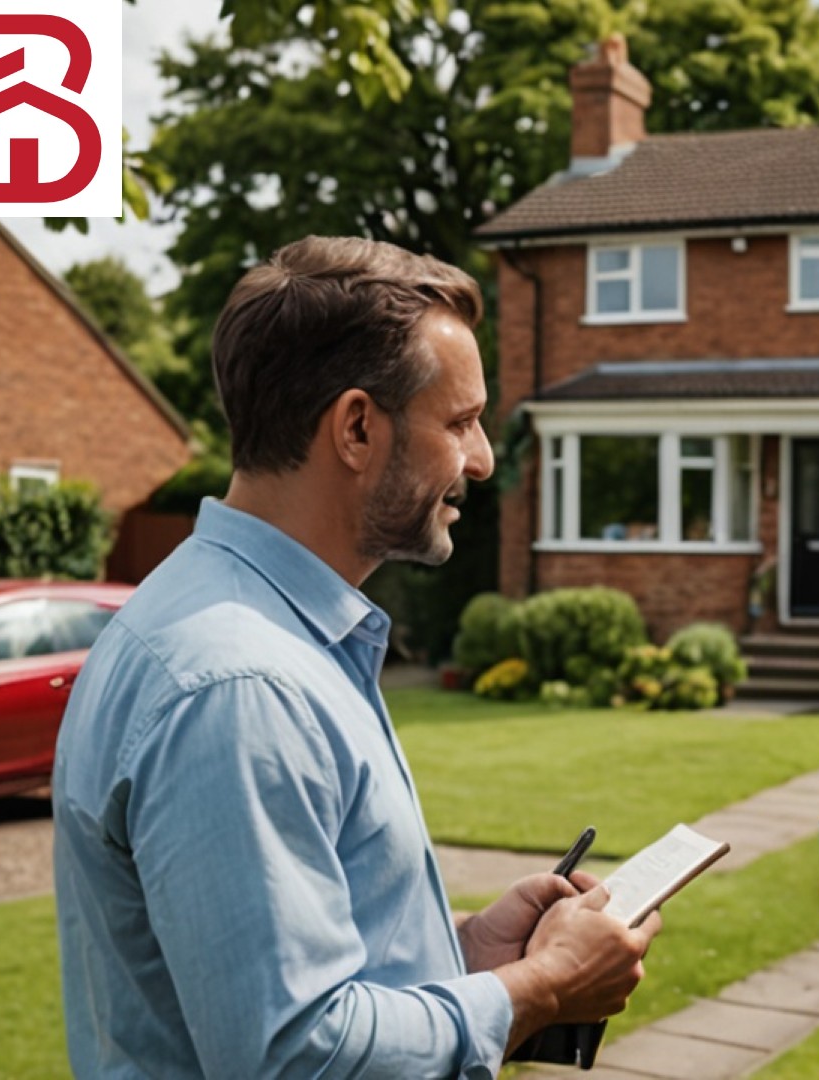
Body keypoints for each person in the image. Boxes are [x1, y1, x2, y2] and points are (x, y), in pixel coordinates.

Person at [52, 237, 658, 1077]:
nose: (481, 460)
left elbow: (288, 973)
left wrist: (471, 952)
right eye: (460, 422)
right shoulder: (239, 685)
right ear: (358, 427)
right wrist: (544, 988)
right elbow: (296, 1053)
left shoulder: (252, 632)